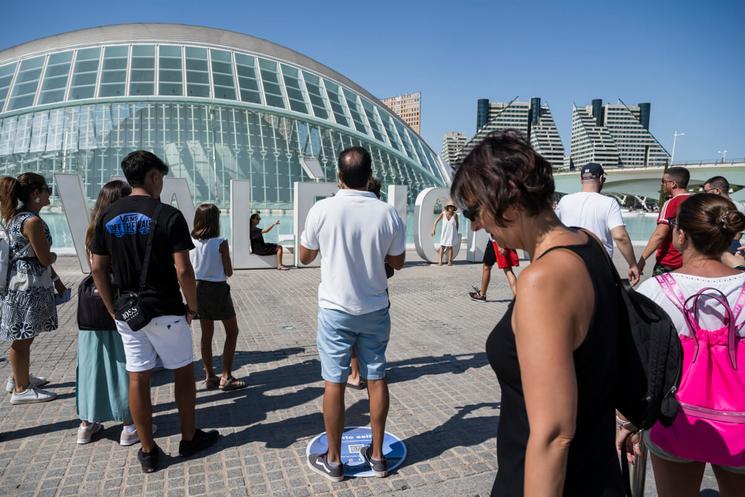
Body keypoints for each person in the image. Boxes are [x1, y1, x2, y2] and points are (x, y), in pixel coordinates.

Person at [451, 130, 624, 497]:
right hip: (598, 467)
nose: (475, 225)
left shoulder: (542, 281)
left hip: (550, 481)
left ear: (508, 204)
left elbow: (552, 435)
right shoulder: (588, 244)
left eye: (474, 211)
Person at [90, 150, 219, 473]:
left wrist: (111, 308)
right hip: (166, 309)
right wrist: (193, 306)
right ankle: (189, 438)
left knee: (138, 377)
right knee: (183, 372)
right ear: (153, 177)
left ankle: (148, 451)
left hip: (128, 313)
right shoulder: (169, 215)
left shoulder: (108, 216)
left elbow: (97, 269)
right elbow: (183, 271)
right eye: (160, 177)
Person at [300, 147, 406, 482]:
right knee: (376, 378)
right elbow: (398, 262)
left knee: (334, 382)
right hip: (374, 308)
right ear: (369, 175)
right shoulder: (387, 213)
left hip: (335, 309)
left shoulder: (323, 209)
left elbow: (304, 256)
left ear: (340, 177)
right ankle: (377, 457)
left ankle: (333, 461)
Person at [637, 193, 745, 496]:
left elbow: (639, 366)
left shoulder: (654, 291)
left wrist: (627, 423)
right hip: (741, 422)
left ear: (681, 235)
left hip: (676, 418)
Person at [77, 180, 146, 445]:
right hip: (117, 301)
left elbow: (93, 268)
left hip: (90, 306)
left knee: (91, 364)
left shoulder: (92, 230)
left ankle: (86, 422)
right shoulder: (119, 229)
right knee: (124, 363)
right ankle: (129, 424)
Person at [0, 173, 66, 405]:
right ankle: (21, 388)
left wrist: (57, 281)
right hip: (26, 287)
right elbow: (45, 258)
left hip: (21, 284)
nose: (50, 193)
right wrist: (54, 256)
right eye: (46, 189)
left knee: (25, 335)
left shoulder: (16, 218)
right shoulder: (32, 222)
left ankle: (18, 377)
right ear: (35, 194)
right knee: (22, 338)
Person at [190, 203, 246, 391]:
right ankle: (226, 376)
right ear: (215, 221)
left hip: (198, 289)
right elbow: (228, 271)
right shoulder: (220, 242)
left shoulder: (190, 241)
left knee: (206, 335)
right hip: (217, 290)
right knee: (232, 331)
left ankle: (209, 376)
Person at [555, 162, 640, 286]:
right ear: (601, 179)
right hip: (598, 267)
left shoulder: (564, 201)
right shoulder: (609, 203)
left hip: (568, 263)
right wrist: (633, 264)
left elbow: (553, 230)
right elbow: (620, 237)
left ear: (581, 179)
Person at [637, 167, 691, 276]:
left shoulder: (671, 203)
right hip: (691, 262)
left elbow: (659, 235)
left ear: (673, 184)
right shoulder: (697, 201)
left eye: (664, 181)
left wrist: (642, 259)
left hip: (669, 262)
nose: (662, 185)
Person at [702, 176, 745, 265]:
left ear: (717, 191)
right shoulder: (712, 207)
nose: (705, 195)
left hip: (731, 254)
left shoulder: (737, 207)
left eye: (707, 192)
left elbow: (737, 235)